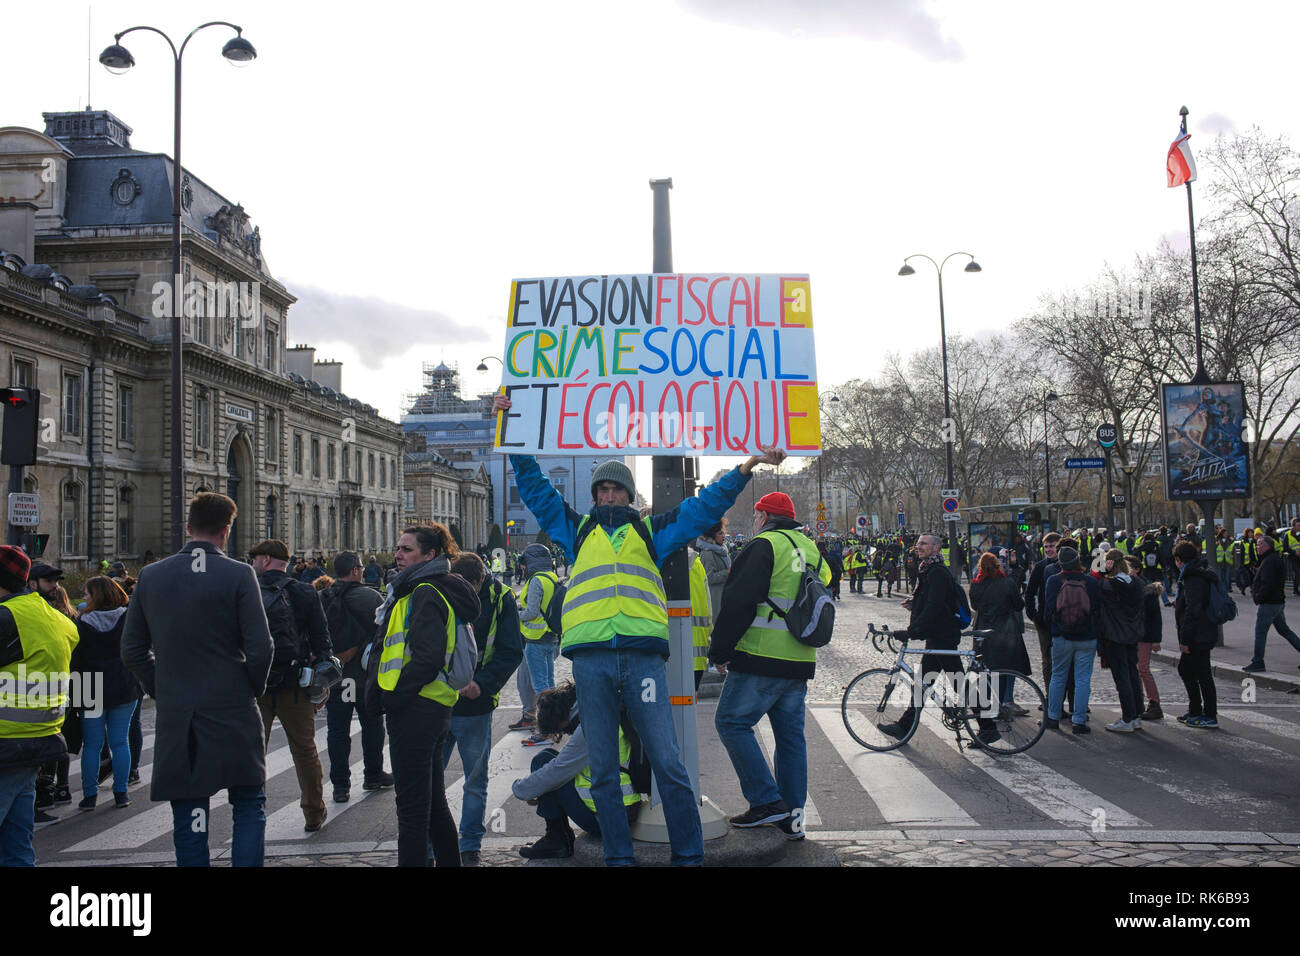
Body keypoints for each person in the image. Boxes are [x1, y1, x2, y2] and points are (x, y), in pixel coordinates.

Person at [497, 390, 780, 866]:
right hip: (591, 661)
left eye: (617, 490)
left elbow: (704, 507)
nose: (609, 496)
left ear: (629, 495)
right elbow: (536, 489)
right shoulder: (576, 529)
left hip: (643, 658)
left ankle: (688, 858)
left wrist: (745, 466)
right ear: (596, 496)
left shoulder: (652, 533)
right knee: (604, 769)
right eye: (603, 490)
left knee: (669, 763)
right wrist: (513, 436)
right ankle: (619, 861)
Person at [121, 492, 275, 867]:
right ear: (226, 531)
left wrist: (161, 687)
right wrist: (249, 688)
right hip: (233, 704)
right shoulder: (240, 574)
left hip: (179, 709)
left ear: (187, 527)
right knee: (248, 803)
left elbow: (132, 650)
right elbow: (261, 647)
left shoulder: (152, 575)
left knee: (190, 808)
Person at [710, 493, 829, 836]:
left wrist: (720, 650)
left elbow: (738, 603)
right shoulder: (809, 548)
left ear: (763, 516)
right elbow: (824, 583)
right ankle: (792, 819)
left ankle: (765, 801)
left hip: (761, 656)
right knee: (791, 739)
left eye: (757, 513)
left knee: (731, 723)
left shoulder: (763, 545)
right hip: (801, 658)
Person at [375, 525, 480, 867]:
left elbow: (426, 657)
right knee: (432, 805)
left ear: (430, 555)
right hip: (433, 707)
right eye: (398, 547)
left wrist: (393, 698)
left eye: (406, 549)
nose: (398, 554)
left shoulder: (424, 591)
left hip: (416, 709)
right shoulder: (432, 589)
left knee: (412, 811)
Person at [0, 545, 79, 865]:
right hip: (40, 738)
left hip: (6, 739)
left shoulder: (7, 618)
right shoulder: (57, 619)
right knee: (16, 842)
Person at [443, 552, 522, 866]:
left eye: (469, 589)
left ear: (480, 580)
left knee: (475, 780)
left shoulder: (500, 597)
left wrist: (482, 684)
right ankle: (434, 843)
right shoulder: (441, 589)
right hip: (438, 702)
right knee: (430, 779)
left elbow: (511, 650)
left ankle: (470, 843)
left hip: (476, 704)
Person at [249, 539, 334, 833]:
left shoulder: (250, 590)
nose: (252, 562)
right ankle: (313, 811)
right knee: (305, 750)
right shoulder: (303, 591)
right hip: (296, 682)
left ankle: (252, 809)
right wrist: (321, 685)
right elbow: (323, 641)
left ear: (265, 559)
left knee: (253, 750)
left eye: (254, 557)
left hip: (255, 685)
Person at [512, 680, 642, 859]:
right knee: (548, 759)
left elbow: (557, 772)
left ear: (563, 718)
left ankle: (557, 839)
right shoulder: (600, 708)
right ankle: (557, 838)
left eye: (562, 730)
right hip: (621, 809)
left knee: (544, 763)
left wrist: (520, 789)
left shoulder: (590, 726)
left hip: (607, 818)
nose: (566, 733)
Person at [878, 532, 969, 740]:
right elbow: (931, 603)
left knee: (958, 682)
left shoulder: (937, 572)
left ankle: (988, 724)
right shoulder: (928, 569)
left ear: (936, 548)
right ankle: (905, 726)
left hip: (943, 635)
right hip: (937, 635)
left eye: (924, 544)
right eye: (918, 543)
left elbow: (935, 606)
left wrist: (911, 631)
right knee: (923, 684)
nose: (918, 547)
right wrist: (915, 607)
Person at [321, 551, 392, 804]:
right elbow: (386, 630)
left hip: (336, 676)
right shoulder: (369, 596)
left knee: (337, 731)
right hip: (363, 677)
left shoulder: (322, 597)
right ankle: (373, 774)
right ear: (354, 571)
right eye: (360, 567)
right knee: (372, 726)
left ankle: (340, 785)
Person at [71, 577, 140, 809]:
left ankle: (89, 795)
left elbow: (75, 660)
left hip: (89, 685)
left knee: (91, 745)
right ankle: (121, 792)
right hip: (123, 682)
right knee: (120, 742)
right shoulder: (128, 617)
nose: (84, 597)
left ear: (97, 595)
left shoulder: (81, 623)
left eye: (87, 593)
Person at [1043, 546, 1103, 734]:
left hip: (1061, 636)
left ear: (1060, 563)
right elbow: (1097, 609)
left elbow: (1049, 610)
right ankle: (1079, 720)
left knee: (1058, 677)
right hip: (1087, 637)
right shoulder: (1090, 582)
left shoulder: (1054, 581)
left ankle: (1053, 717)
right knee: (1082, 679)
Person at [968, 551, 1030, 728]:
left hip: (983, 630)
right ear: (997, 566)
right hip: (1005, 630)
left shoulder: (976, 585)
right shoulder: (1007, 583)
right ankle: (1002, 704)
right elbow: (1019, 605)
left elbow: (974, 606)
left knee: (987, 670)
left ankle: (988, 706)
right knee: (1005, 669)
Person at [1094, 549, 1145, 733]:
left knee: (1122, 677)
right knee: (1132, 675)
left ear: (1110, 563)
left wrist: (1100, 569)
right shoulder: (1136, 583)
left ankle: (1127, 717)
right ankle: (1137, 715)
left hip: (1114, 635)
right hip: (1132, 634)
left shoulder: (1108, 585)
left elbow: (1096, 585)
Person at [517, 543, 562, 747]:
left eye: (524, 562)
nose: (523, 567)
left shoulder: (536, 581)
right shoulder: (552, 577)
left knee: (540, 687)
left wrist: (516, 615)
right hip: (551, 637)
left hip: (536, 639)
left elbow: (532, 612)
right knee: (550, 685)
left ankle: (544, 730)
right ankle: (553, 727)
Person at [1173, 540, 1219, 728]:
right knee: (1191, 670)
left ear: (1179, 559)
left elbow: (1192, 610)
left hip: (1198, 633)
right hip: (1203, 630)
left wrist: (1185, 638)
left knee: (1201, 673)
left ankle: (1208, 713)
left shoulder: (1192, 578)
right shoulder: (1198, 573)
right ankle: (1196, 710)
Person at [1244, 532, 1300, 673]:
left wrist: (1259, 597)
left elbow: (1268, 583)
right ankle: (1258, 661)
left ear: (1267, 546)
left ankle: (1258, 661)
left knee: (1260, 632)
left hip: (1270, 602)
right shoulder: (1271, 559)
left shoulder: (1269, 561)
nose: (1257, 547)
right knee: (1284, 631)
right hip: (1276, 601)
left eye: (1259, 545)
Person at [1124, 554, 1165, 720]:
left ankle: (1154, 703)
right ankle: (1139, 700)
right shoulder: (1134, 586)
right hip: (1136, 634)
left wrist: (1156, 639)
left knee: (1142, 669)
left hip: (1145, 635)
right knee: (1137, 669)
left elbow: (1155, 617)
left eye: (1128, 568)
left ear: (1137, 569)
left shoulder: (1146, 590)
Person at [696, 520, 732, 622]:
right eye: (720, 533)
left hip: (722, 598)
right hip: (715, 600)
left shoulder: (721, 550)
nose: (723, 536)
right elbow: (709, 577)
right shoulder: (708, 553)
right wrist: (728, 572)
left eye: (724, 533)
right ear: (712, 535)